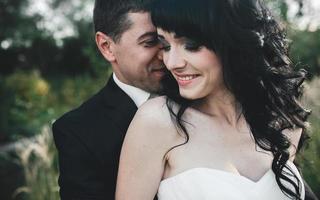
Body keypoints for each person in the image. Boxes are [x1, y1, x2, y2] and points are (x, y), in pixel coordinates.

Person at [116, 0, 316, 199]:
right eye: (166, 46)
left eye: (191, 45)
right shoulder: (157, 121)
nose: (172, 62)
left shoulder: (283, 123)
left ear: (233, 42)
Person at [52, 0, 165, 199]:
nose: (166, 55)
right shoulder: (78, 132)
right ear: (107, 47)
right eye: (150, 42)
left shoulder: (200, 98)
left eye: (167, 41)